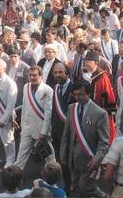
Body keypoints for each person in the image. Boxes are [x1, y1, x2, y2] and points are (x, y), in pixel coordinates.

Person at [60, 80, 110, 198]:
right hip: (71, 158)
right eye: (75, 94)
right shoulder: (71, 108)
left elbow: (105, 142)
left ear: (89, 94)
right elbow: (66, 134)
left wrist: (97, 160)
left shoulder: (100, 113)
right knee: (74, 188)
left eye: (81, 94)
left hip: (88, 160)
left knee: (86, 189)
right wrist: (62, 155)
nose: (77, 97)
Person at [14, 65, 54, 171]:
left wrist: (44, 132)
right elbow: (25, 106)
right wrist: (22, 126)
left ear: (41, 76)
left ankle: (53, 178)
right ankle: (15, 178)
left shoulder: (48, 90)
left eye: (35, 75)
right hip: (27, 127)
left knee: (49, 158)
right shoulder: (26, 86)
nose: (32, 78)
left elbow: (48, 113)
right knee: (21, 155)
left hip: (41, 129)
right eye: (30, 75)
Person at [83, 51, 117, 143]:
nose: (86, 65)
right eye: (85, 62)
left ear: (96, 63)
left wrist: (110, 116)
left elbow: (108, 97)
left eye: (89, 62)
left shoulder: (101, 77)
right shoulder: (88, 74)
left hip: (100, 112)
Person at [51, 63, 73, 194]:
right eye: (55, 72)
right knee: (62, 163)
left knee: (72, 164)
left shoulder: (74, 88)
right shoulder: (56, 88)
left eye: (60, 72)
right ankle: (68, 187)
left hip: (71, 134)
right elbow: (54, 110)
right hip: (58, 134)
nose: (57, 75)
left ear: (67, 73)